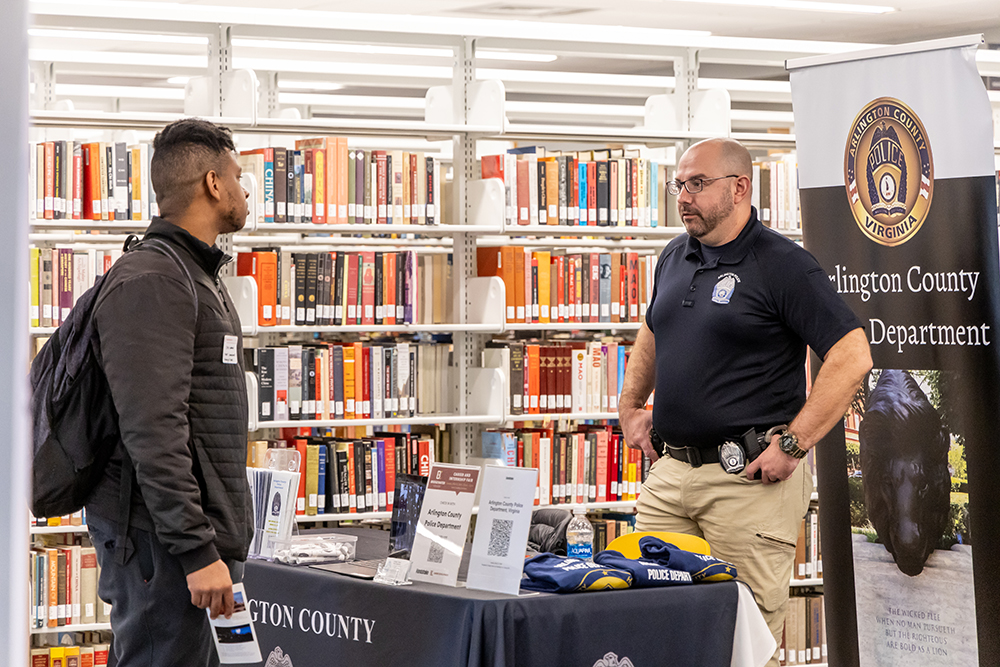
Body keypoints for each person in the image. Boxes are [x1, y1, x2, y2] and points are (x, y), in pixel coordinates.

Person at [618, 138, 872, 665]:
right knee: (650, 623)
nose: (683, 196)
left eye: (696, 184)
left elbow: (852, 356)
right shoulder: (674, 254)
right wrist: (630, 405)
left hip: (749, 482)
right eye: (678, 184)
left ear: (739, 188)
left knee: (741, 640)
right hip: (670, 475)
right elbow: (653, 330)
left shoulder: (782, 265)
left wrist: (796, 443)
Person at [86, 118, 253, 667]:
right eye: (237, 175)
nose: (244, 188)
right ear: (212, 183)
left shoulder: (195, 274)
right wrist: (197, 550)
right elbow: (153, 430)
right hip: (162, 548)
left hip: (186, 543)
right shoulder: (155, 279)